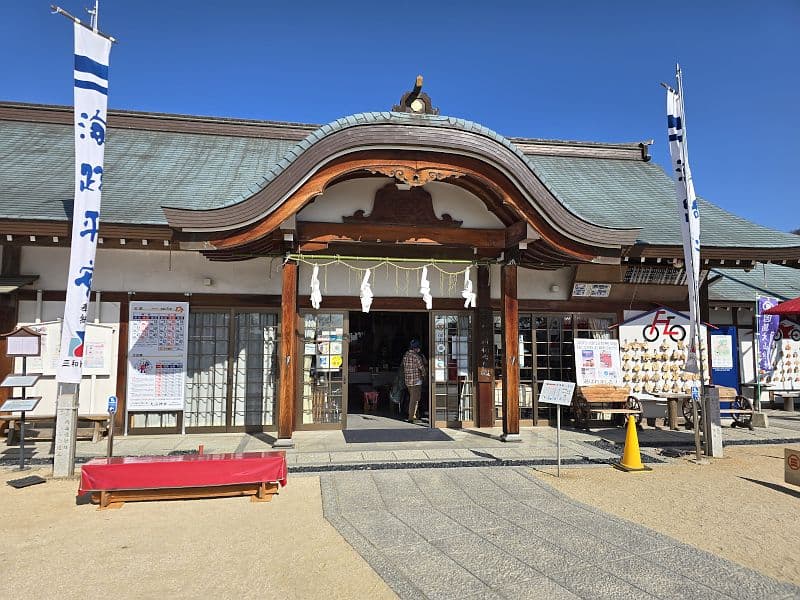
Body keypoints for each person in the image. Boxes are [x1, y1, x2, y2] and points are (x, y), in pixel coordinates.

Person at [402, 338, 427, 422]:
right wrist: (425, 376)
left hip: (408, 381)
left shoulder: (406, 355)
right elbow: (422, 368)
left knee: (413, 398)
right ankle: (411, 417)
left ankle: (414, 415)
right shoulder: (416, 357)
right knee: (415, 399)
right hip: (416, 381)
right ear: (416, 348)